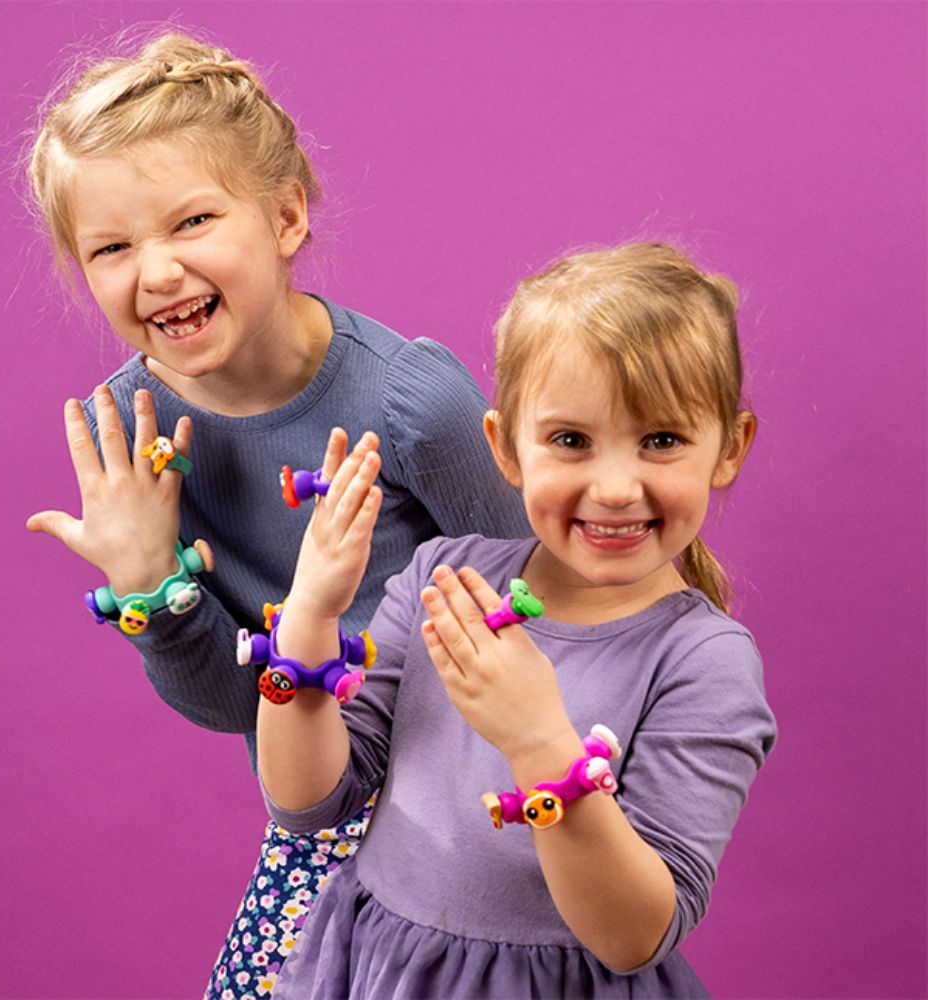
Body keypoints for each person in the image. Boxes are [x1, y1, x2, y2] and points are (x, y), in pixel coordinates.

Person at [23, 30, 529, 998]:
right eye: (112, 247)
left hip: (480, 817)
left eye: (192, 221)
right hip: (318, 824)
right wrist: (149, 586)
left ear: (287, 215)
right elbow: (230, 703)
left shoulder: (410, 401)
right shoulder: (132, 442)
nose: (156, 272)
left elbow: (546, 609)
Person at [257, 242, 778, 998]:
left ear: (729, 448)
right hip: (377, 972)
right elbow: (308, 801)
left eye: (661, 440)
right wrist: (310, 611)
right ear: (506, 448)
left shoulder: (703, 660)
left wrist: (538, 740)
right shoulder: (442, 581)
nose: (614, 487)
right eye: (571, 441)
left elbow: (634, 936)